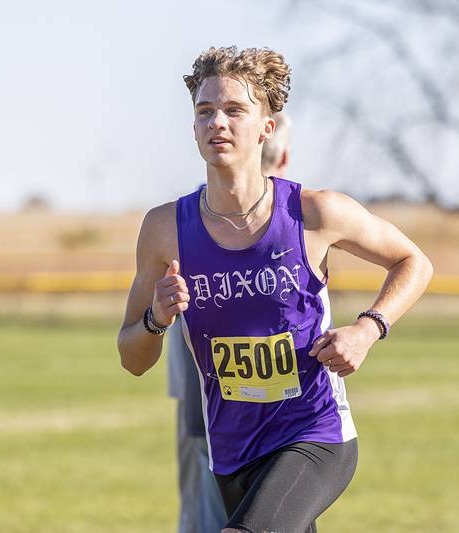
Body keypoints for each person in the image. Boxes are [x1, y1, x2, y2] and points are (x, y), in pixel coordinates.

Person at [118, 46, 433, 533]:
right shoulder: (164, 229)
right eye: (205, 111)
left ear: (267, 125)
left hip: (314, 434)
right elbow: (132, 358)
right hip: (232, 453)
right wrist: (156, 320)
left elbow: (414, 261)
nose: (217, 122)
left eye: (234, 110)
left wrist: (368, 331)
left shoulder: (314, 214)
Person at [167, 111, 292, 533]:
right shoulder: (302, 221)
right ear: (286, 155)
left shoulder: (190, 227)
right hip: (253, 430)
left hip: (238, 429)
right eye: (205, 113)